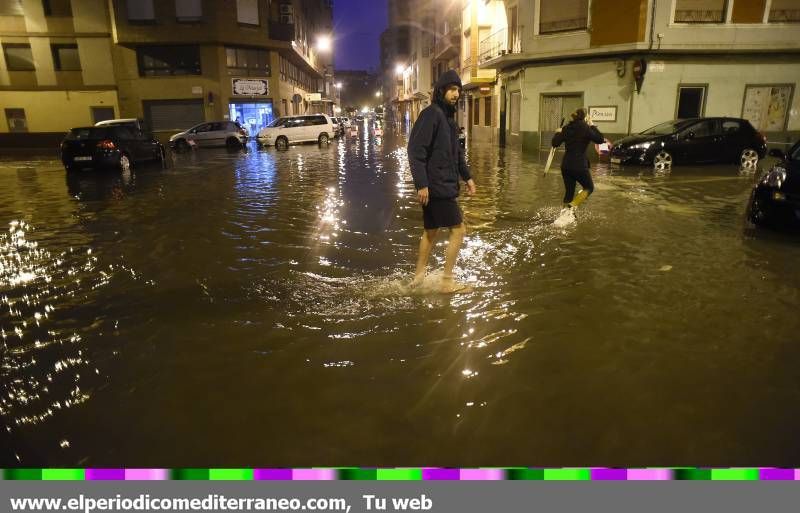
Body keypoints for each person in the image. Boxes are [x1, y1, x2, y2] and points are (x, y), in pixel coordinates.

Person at [407, 69, 476, 293]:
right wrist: (422, 184)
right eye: (452, 89)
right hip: (437, 186)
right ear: (441, 91)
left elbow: (457, 155)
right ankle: (447, 281)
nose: (456, 94)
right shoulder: (432, 114)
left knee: (431, 231)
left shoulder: (449, 120)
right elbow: (416, 150)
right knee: (459, 230)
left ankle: (418, 277)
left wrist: (468, 177)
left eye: (458, 90)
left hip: (442, 183)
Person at [551, 108, 605, 209]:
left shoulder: (567, 128)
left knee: (569, 192)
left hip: (566, 166)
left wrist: (558, 132)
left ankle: (564, 214)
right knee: (589, 187)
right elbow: (600, 139)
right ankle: (571, 207)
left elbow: (555, 143)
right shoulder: (586, 128)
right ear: (585, 117)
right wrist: (592, 125)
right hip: (579, 166)